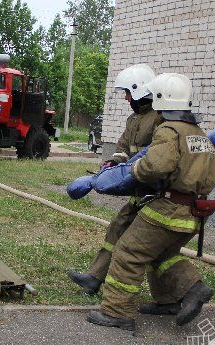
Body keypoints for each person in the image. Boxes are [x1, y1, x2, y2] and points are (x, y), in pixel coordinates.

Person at [86, 73, 215, 332]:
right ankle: (177, 296)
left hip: (167, 208)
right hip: (194, 211)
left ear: (160, 98)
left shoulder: (168, 130)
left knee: (128, 252)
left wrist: (131, 172)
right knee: (162, 254)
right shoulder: (198, 133)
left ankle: (117, 312)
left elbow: (155, 166)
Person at [67, 64, 162, 294]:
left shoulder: (159, 118)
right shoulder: (133, 120)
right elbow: (123, 149)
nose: (127, 97)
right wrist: (112, 163)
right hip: (141, 190)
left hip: (155, 192)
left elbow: (158, 156)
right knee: (117, 227)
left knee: (147, 247)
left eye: (128, 92)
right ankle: (94, 277)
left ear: (139, 91)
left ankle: (177, 293)